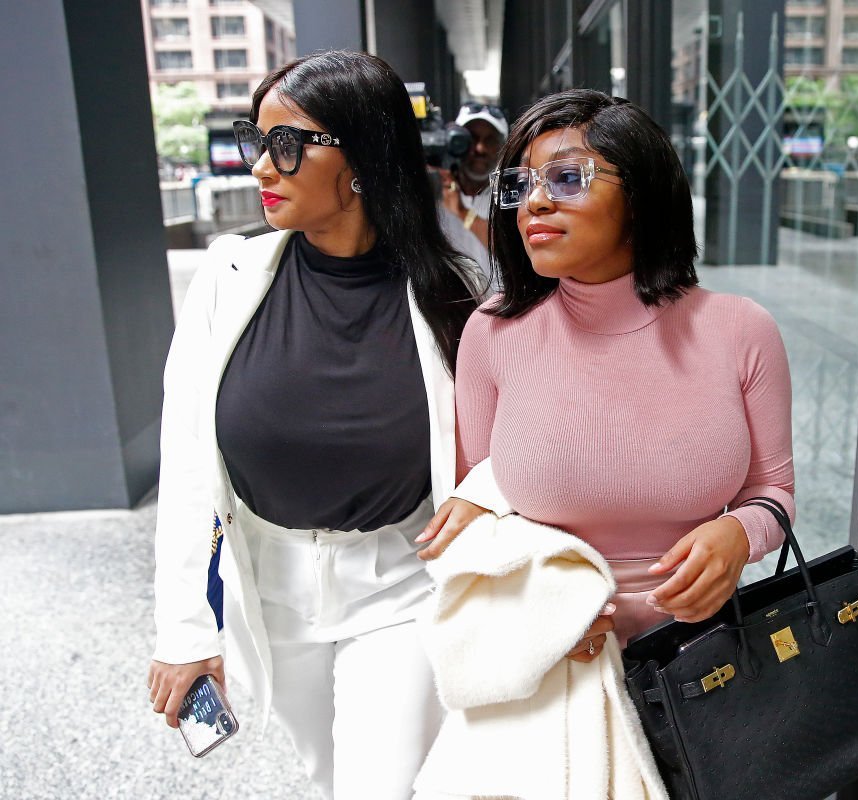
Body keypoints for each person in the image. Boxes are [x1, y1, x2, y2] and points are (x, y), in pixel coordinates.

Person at [147, 50, 492, 800]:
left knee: (382, 787)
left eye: (286, 145)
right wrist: (184, 630)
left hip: (400, 584)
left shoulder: (454, 294)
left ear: (363, 158)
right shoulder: (227, 279)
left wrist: (485, 500)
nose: (261, 169)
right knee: (326, 776)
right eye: (256, 142)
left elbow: (511, 440)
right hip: (269, 591)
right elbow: (185, 467)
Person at [421, 89, 795, 664]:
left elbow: (773, 490)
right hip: (547, 655)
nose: (534, 205)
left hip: (708, 662)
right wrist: (539, 598)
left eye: (567, 179)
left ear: (642, 196)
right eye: (520, 186)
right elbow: (478, 507)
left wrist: (741, 535)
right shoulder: (492, 333)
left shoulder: (740, 329)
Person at [438, 103, 508, 255]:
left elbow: (512, 252)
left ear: (503, 147)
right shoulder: (436, 189)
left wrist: (463, 213)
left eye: (490, 140)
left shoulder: (510, 194)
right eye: (472, 138)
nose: (480, 148)